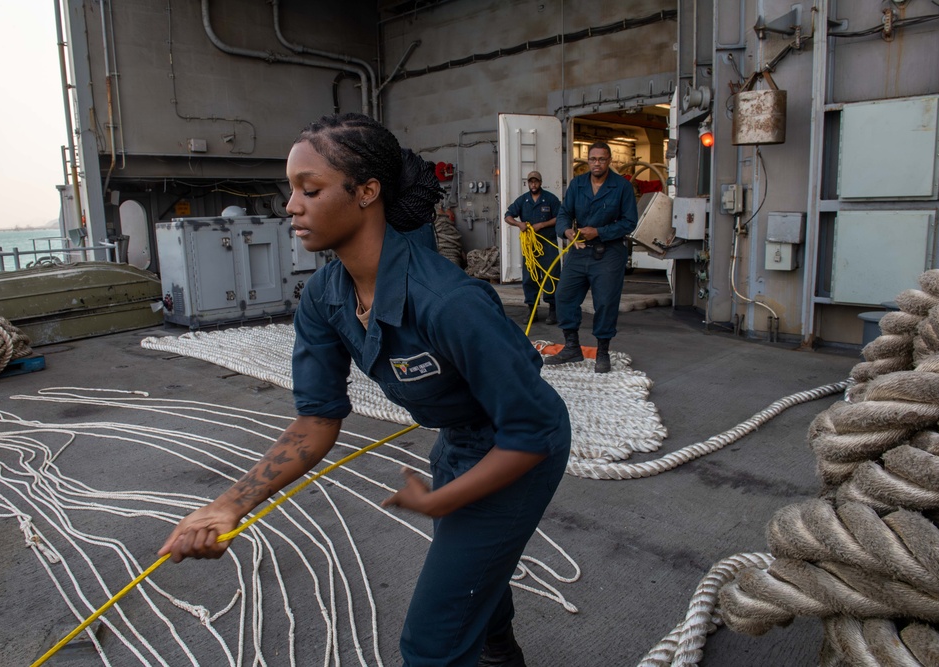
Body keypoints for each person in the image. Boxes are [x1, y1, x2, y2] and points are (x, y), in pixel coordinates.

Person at [159, 113, 572, 667]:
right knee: (472, 576)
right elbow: (317, 419)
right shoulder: (325, 296)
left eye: (310, 189)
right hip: (461, 440)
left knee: (431, 644)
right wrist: (227, 506)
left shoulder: (449, 302)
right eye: (291, 191)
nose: (291, 206)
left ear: (367, 193)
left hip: (519, 449)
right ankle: (500, 651)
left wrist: (440, 499)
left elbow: (534, 429)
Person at [544, 141, 638, 373]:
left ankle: (602, 352)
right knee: (564, 295)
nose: (597, 163)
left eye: (602, 159)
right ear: (588, 160)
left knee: (605, 302)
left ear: (610, 160)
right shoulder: (577, 184)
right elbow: (565, 213)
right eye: (593, 159)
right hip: (579, 250)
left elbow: (630, 222)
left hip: (609, 253)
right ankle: (572, 346)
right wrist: (566, 231)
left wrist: (600, 232)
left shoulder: (621, 187)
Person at [504, 170, 561, 325]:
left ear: (540, 183)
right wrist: (518, 224)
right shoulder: (523, 200)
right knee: (530, 278)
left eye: (536, 182)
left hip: (548, 245)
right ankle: (532, 310)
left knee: (551, 277)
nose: (533, 184)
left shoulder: (550, 199)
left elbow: (560, 217)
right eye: (530, 182)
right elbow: (508, 215)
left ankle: (553, 310)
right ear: (527, 184)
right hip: (530, 247)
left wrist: (542, 224)